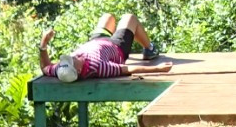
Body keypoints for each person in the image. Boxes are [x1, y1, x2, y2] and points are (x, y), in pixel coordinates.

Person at [38, 12, 173, 80]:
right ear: (78, 71)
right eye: (71, 60)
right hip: (117, 47)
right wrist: (157, 68)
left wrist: (43, 43)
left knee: (107, 17)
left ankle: (121, 30)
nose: (69, 58)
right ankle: (149, 49)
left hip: (96, 42)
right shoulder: (98, 67)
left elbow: (45, 68)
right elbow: (127, 69)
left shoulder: (62, 69)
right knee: (129, 17)